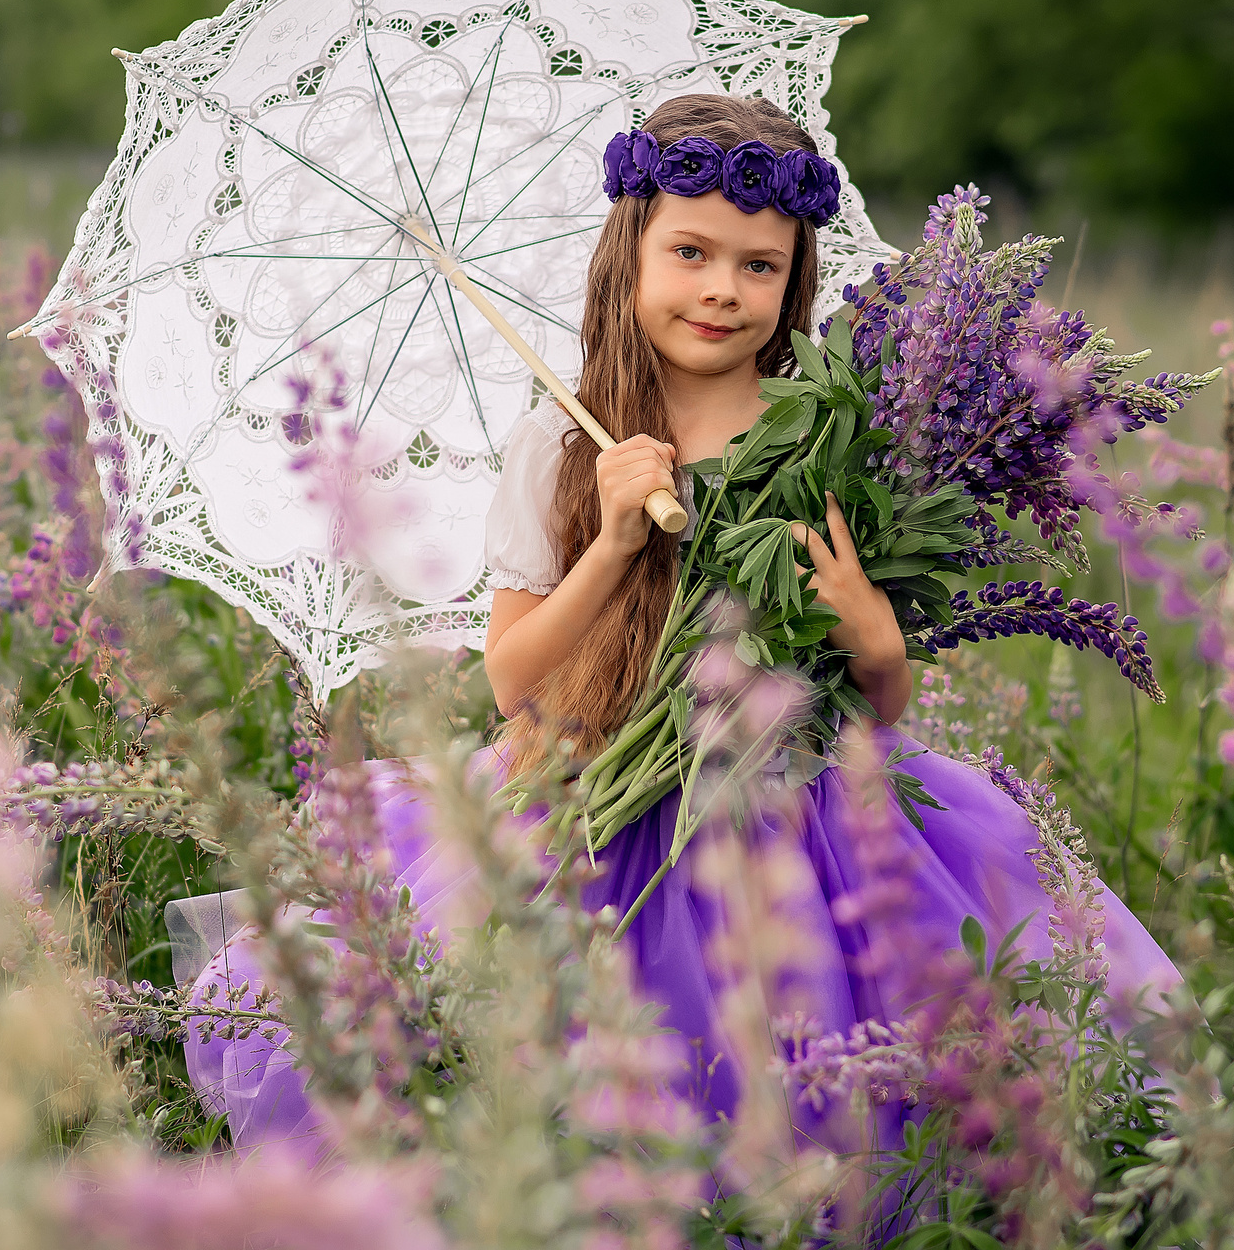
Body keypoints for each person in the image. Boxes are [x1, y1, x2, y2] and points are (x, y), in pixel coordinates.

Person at [183, 93, 1178, 1154]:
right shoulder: (563, 446)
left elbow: (877, 707)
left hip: (794, 811)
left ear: (795, 279)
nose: (721, 289)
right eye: (690, 253)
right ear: (631, 257)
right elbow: (512, 683)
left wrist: (874, 637)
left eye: (759, 265)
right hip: (592, 802)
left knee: (832, 1072)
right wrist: (612, 545)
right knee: (526, 1053)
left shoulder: (833, 434)